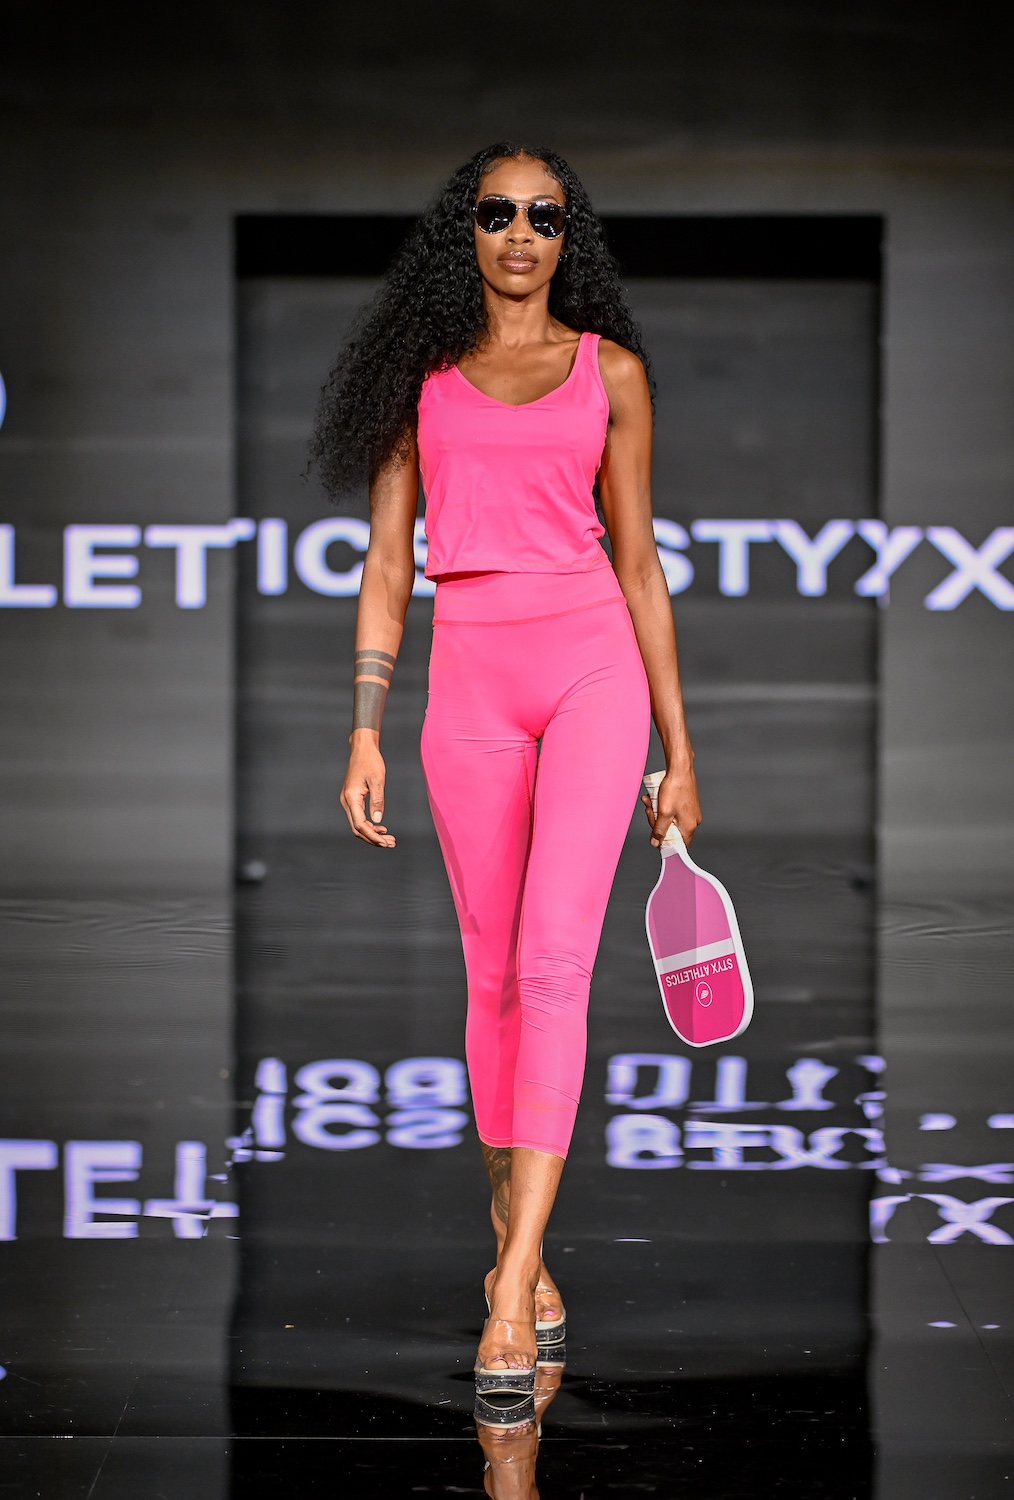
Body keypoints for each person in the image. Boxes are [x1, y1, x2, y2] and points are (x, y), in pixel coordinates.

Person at [311, 141, 701, 1415]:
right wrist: (365, 726)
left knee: (554, 966)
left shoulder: (611, 373)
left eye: (545, 213)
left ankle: (514, 1280)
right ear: (463, 232)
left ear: (568, 234)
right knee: (491, 977)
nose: (521, 232)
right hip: (469, 679)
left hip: (592, 669)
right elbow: (386, 566)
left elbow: (639, 566)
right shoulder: (417, 383)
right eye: (497, 212)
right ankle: (515, 1247)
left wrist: (679, 750)